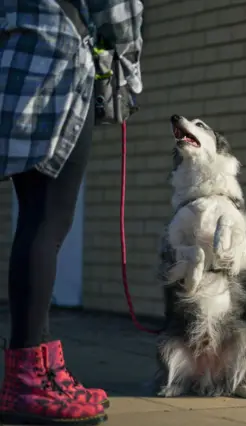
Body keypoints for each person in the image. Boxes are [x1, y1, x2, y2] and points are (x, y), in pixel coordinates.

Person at [0, 0, 143, 424]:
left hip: (15, 59)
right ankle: (26, 381)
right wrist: (128, 73)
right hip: (54, 64)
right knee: (47, 221)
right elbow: (117, 9)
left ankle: (39, 368)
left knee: (34, 218)